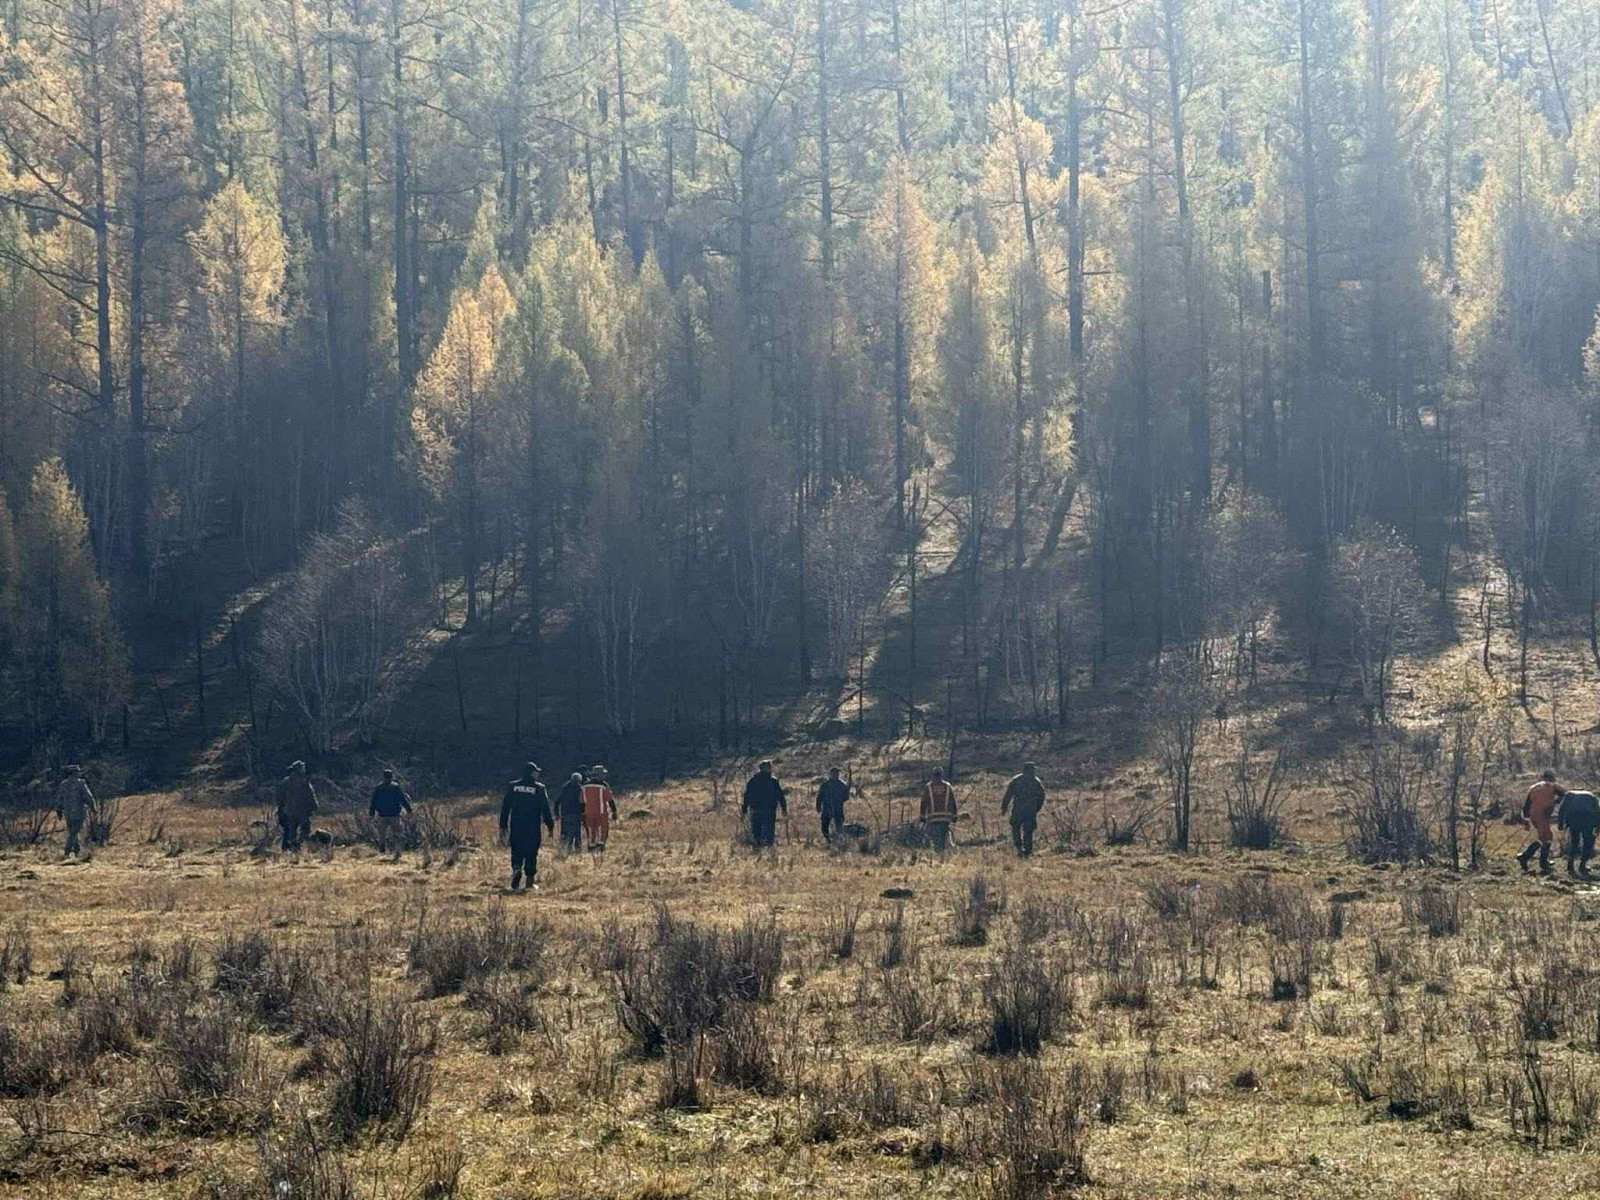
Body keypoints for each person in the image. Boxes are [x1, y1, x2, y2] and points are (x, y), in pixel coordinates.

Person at [499, 762, 554, 891]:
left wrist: (503, 825)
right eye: (536, 771)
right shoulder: (539, 788)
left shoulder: (513, 786)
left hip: (516, 826)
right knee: (531, 853)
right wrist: (550, 825)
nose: (538, 773)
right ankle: (529, 881)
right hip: (532, 827)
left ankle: (517, 869)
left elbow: (505, 807)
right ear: (531, 773)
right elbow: (545, 808)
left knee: (516, 850)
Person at [1519, 770, 1564, 875]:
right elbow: (1565, 794)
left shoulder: (1533, 788)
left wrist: (1526, 820)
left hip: (1533, 815)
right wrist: (1555, 802)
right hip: (1543, 814)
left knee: (1546, 837)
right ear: (1551, 779)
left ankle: (1542, 861)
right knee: (1546, 838)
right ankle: (1526, 857)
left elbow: (1526, 805)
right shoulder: (1552, 786)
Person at [1000, 761, 1046, 857]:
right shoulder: (1036, 781)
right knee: (1028, 830)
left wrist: (1004, 807)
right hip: (1030, 810)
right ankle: (1027, 850)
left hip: (1018, 808)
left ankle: (1019, 847)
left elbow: (1008, 795)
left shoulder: (1016, 780)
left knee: (1016, 828)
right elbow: (1042, 796)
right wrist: (1037, 807)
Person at [742, 760, 787, 848]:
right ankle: (764, 847)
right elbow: (747, 795)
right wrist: (784, 808)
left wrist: (744, 809)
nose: (770, 769)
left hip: (761, 809)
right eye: (769, 767)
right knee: (764, 830)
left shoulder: (755, 780)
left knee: (761, 830)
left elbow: (780, 796)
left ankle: (761, 847)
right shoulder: (770, 781)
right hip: (763, 809)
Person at [276, 761, 318, 853]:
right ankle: (299, 846)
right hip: (303, 811)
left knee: (291, 830)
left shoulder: (285, 782)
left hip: (289, 811)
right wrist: (314, 807)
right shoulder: (304, 782)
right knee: (305, 829)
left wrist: (281, 809)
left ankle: (291, 847)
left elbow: (279, 797)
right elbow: (311, 796)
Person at [1558, 787, 1600, 878]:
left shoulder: (1569, 795)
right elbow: (1598, 812)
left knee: (1574, 843)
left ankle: (1570, 866)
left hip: (1574, 820)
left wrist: (1560, 823)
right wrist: (1598, 827)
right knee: (1588, 843)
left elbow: (1562, 809)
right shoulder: (1591, 796)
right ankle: (1582, 865)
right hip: (1588, 820)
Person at [56, 765, 96, 859]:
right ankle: (67, 851)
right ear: (74, 773)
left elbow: (59, 799)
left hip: (68, 813)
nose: (79, 773)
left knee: (72, 832)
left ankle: (77, 851)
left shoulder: (63, 784)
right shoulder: (81, 784)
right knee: (74, 832)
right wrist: (93, 807)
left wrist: (59, 810)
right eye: (77, 772)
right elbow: (88, 797)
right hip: (79, 812)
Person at [369, 769, 412, 855]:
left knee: (382, 835)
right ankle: (398, 851)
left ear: (383, 777)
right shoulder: (395, 787)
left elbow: (373, 801)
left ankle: (382, 851)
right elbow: (402, 799)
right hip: (394, 815)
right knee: (399, 834)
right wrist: (408, 809)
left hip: (382, 815)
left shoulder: (378, 788)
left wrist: (372, 813)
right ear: (392, 777)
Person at [920, 767, 959, 855]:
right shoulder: (948, 786)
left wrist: (922, 819)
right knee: (944, 840)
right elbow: (953, 802)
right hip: (945, 820)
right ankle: (944, 858)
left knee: (935, 841)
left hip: (933, 820)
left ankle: (939, 858)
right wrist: (954, 818)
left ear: (933, 775)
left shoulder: (929, 787)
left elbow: (923, 803)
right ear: (942, 775)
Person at [582, 766, 618, 851]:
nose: (604, 776)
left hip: (588, 812)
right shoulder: (603, 785)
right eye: (603, 774)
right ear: (599, 775)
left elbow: (581, 801)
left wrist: (582, 812)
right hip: (601, 812)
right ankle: (600, 847)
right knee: (603, 829)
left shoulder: (584, 786)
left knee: (591, 830)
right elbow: (610, 800)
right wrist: (614, 811)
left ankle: (591, 846)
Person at [816, 767, 850, 841]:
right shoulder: (825, 785)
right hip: (826, 809)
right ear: (830, 774)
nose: (835, 775)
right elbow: (819, 797)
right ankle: (828, 840)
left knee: (839, 827)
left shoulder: (842, 785)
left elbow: (846, 797)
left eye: (837, 774)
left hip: (838, 809)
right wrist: (818, 807)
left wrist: (839, 801)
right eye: (833, 774)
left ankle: (838, 841)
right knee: (824, 827)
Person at [556, 771, 585, 852]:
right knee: (576, 833)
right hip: (576, 814)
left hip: (565, 814)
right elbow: (582, 802)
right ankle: (577, 850)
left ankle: (562, 849)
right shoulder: (580, 789)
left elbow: (557, 801)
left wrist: (557, 813)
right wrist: (583, 813)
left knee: (564, 832)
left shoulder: (564, 788)